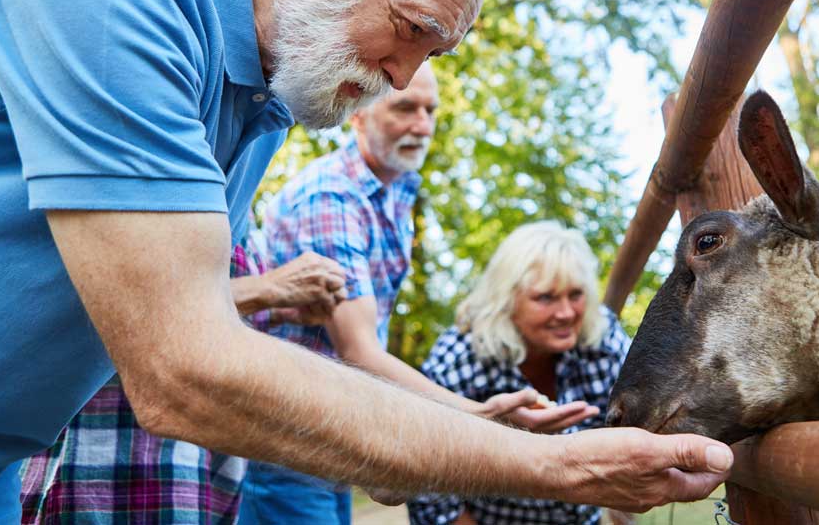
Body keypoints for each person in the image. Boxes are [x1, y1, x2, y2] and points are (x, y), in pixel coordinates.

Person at [0, 0, 733, 523]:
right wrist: (567, 468)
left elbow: (177, 313)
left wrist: (461, 416)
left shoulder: (261, 104)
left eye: (434, 53)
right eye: (409, 28)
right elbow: (181, 365)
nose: (403, 75)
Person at [239, 64, 600, 524]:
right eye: (405, 108)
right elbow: (359, 349)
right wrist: (474, 416)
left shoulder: (394, 193)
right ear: (358, 114)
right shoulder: (333, 197)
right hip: (284, 428)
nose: (422, 125)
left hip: (327, 426)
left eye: (430, 110)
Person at [18, 221, 346, 523]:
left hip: (193, 479)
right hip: (102, 480)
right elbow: (119, 303)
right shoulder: (130, 179)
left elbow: (205, 318)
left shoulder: (233, 200)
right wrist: (265, 289)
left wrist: (270, 311)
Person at [408, 221, 635, 524]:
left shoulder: (602, 337)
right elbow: (428, 485)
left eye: (576, 294)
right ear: (507, 300)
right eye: (546, 297)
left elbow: (635, 428)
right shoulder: (461, 356)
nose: (566, 312)